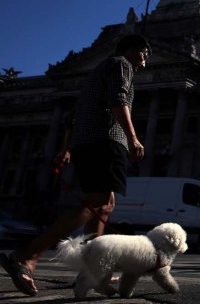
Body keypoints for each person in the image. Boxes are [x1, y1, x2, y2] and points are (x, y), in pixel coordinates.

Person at [0, 34, 151, 297]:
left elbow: (73, 116)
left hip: (86, 142)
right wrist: (132, 137)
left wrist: (66, 148)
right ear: (131, 49)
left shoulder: (97, 72)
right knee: (99, 203)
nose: (144, 63)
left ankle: (93, 270)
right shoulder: (121, 64)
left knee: (104, 205)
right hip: (105, 139)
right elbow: (119, 100)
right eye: (144, 55)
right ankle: (27, 255)